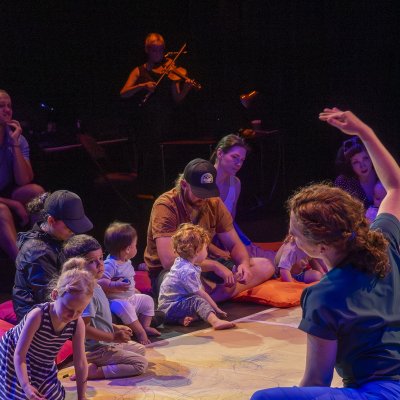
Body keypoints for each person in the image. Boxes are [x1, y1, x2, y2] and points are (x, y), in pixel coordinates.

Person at [251, 107, 400, 399]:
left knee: (265, 398)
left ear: (320, 247)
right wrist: (364, 132)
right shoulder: (384, 242)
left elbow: (317, 380)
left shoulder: (323, 295)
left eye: (295, 233)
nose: (291, 237)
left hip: (383, 393)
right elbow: (396, 186)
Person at [144, 157, 275, 301]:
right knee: (180, 282)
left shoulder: (213, 202)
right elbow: (169, 261)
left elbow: (234, 243)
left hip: (203, 264)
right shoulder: (166, 205)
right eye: (199, 193)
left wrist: (243, 265)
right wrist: (215, 266)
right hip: (172, 271)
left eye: (207, 192)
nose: (204, 198)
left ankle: (207, 299)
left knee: (265, 265)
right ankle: (210, 297)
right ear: (184, 185)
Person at [0, 265, 95, 400]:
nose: (72, 315)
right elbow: (19, 355)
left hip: (42, 359)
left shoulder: (77, 323)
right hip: (14, 354)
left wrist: (82, 396)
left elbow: (80, 362)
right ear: (55, 295)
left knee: (54, 396)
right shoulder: (38, 315)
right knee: (21, 395)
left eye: (79, 311)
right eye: (68, 308)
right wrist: (26, 386)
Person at [63, 234, 148, 380]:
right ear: (76, 266)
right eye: (92, 261)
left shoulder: (96, 285)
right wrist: (113, 336)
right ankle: (94, 371)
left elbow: (99, 321)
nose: (100, 265)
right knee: (140, 364)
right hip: (96, 349)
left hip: (107, 343)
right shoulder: (85, 293)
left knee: (140, 349)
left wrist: (115, 327)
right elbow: (83, 329)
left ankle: (101, 363)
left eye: (101, 258)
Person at [120, 33, 194, 194]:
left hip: (166, 124)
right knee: (149, 164)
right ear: (147, 50)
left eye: (161, 50)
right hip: (146, 124)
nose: (158, 54)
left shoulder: (170, 70)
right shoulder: (139, 70)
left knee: (168, 165)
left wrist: (186, 88)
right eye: (154, 50)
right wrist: (142, 86)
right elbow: (124, 93)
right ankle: (148, 198)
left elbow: (177, 99)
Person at [12, 190, 93, 321]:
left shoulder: (56, 238)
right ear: (51, 220)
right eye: (69, 227)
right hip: (38, 321)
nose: (73, 232)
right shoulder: (37, 251)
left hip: (60, 308)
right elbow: (49, 297)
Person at [158, 223, 235, 330]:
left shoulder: (181, 261)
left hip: (170, 309)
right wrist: (216, 309)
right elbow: (201, 294)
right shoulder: (187, 271)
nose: (206, 252)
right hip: (168, 309)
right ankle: (215, 321)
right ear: (197, 251)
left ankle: (182, 319)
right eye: (205, 249)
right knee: (197, 300)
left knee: (196, 302)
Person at [211, 134, 275, 261]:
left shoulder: (235, 183)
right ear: (220, 153)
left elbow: (230, 220)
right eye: (234, 157)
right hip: (203, 239)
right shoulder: (202, 181)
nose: (238, 163)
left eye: (242, 160)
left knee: (266, 260)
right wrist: (216, 250)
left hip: (226, 234)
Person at [0, 89, 45, 261]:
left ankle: (40, 252)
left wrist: (14, 144)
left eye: (9, 106)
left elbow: (24, 180)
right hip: (2, 202)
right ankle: (24, 266)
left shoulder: (18, 139)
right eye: (1, 106)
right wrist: (14, 204)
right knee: (2, 210)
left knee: (36, 192)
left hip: (4, 192)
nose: (7, 110)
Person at [99, 221, 160, 345]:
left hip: (129, 297)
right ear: (127, 249)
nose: (136, 248)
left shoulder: (127, 261)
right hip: (115, 301)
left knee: (147, 300)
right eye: (135, 245)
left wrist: (134, 290)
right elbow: (101, 281)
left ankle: (145, 326)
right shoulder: (110, 264)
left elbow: (130, 280)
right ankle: (140, 332)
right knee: (125, 307)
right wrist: (114, 285)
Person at [334, 135, 378, 208]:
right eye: (356, 162)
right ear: (349, 165)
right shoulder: (343, 182)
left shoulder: (382, 175)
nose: (362, 165)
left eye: (365, 158)